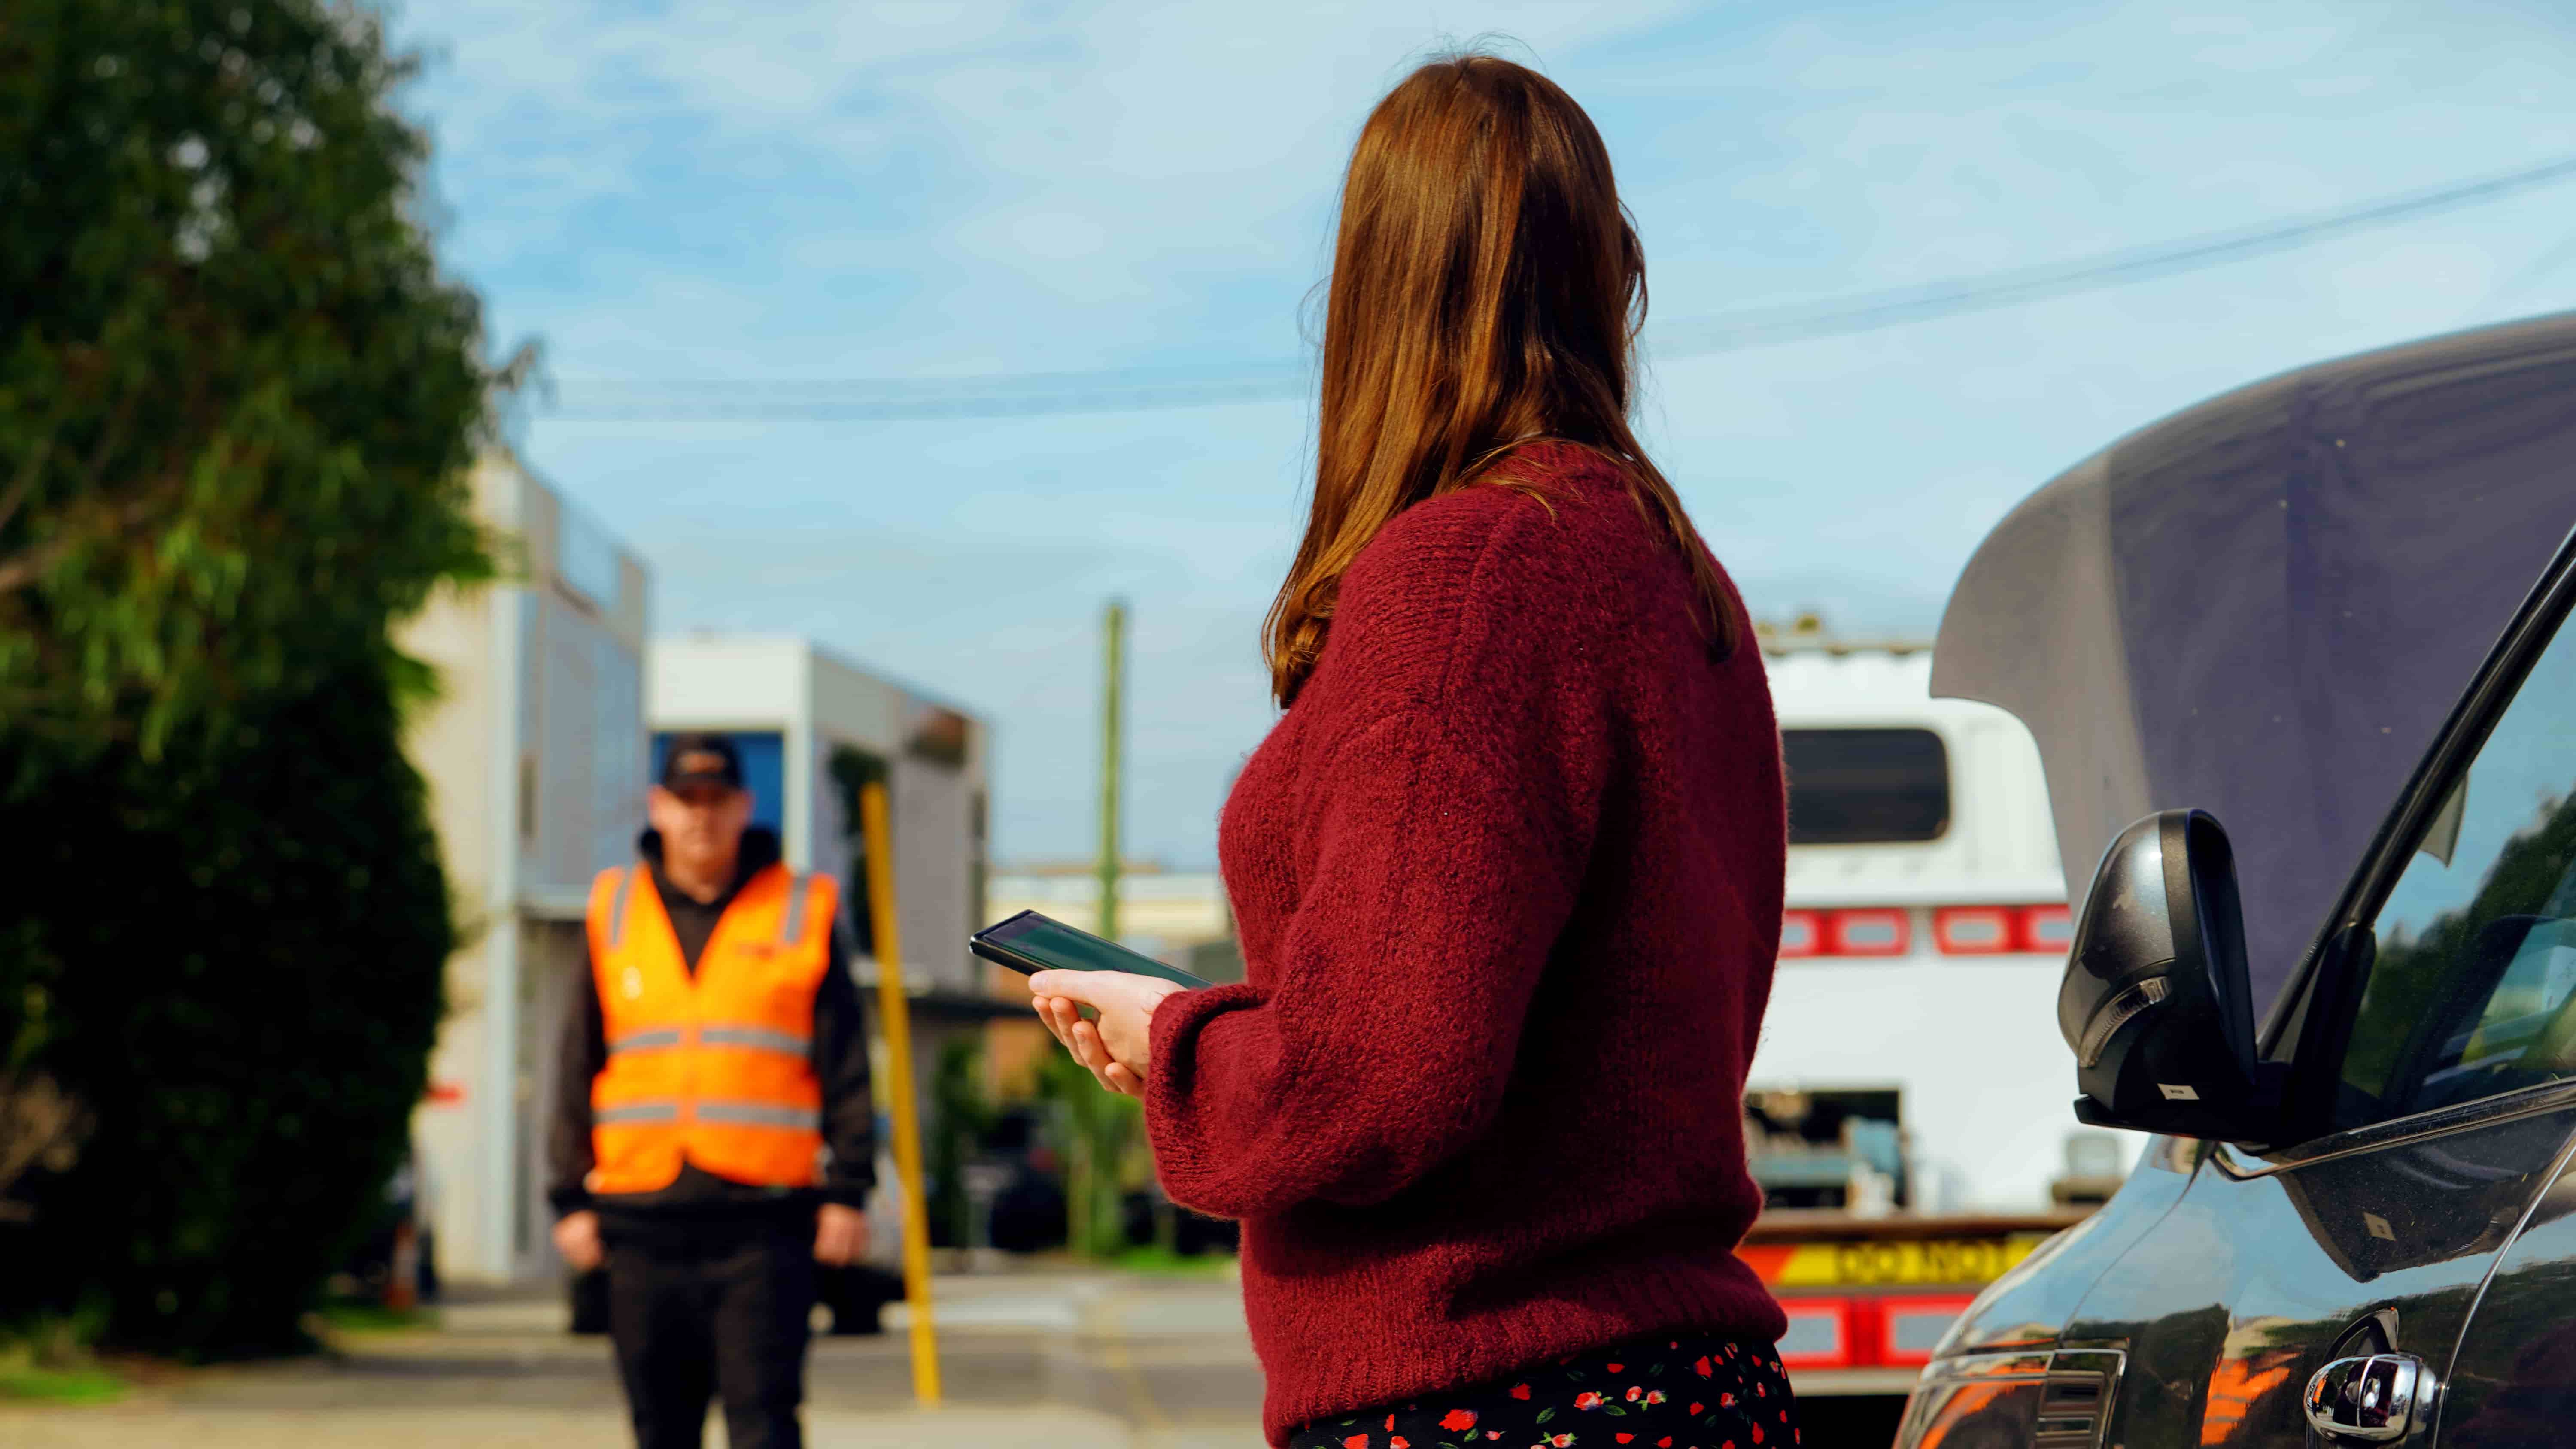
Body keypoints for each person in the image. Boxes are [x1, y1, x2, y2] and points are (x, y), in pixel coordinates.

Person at [1027, 53, 1798, 1449]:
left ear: (1374, 290)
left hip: (1495, 1399)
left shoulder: (1471, 572)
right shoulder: (1682, 582)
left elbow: (1381, 1076)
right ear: (1604, 276)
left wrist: (1178, 1042)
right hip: (1673, 1390)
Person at [548, 734, 875, 1449]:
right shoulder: (614, 910)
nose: (702, 817)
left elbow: (845, 1063)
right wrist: (568, 1199)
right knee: (659, 1429)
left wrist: (848, 1191)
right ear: (658, 808)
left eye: (717, 801)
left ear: (745, 808)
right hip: (639, 1222)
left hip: (764, 1222)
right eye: (686, 801)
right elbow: (578, 1060)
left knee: (764, 1423)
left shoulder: (802, 909)